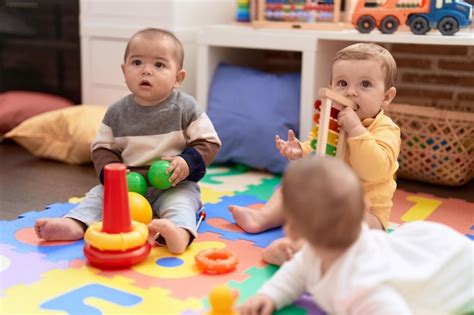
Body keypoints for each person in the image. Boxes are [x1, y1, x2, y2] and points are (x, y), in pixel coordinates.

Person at [34, 28, 221, 254]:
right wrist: (114, 175)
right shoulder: (116, 113)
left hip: (174, 184)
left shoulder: (186, 108)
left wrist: (186, 163)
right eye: (137, 62)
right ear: (124, 71)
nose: (146, 71)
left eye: (159, 65)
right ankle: (76, 222)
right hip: (127, 186)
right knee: (97, 196)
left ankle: (178, 232)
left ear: (178, 78)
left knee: (182, 203)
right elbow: (102, 148)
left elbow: (209, 142)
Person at [228, 42, 401, 265]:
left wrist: (356, 130)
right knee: (288, 190)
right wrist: (301, 149)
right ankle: (262, 217)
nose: (350, 91)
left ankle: (297, 251)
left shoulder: (385, 129)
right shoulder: (334, 121)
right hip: (325, 198)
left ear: (386, 97)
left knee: (340, 225)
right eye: (342, 83)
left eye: (365, 84)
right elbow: (319, 145)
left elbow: (374, 170)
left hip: (366, 214)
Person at [238, 156, 474, 315]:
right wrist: (269, 295)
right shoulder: (314, 253)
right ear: (365, 207)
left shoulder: (362, 288)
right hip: (426, 247)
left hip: (458, 272)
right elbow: (296, 272)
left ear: (292, 230)